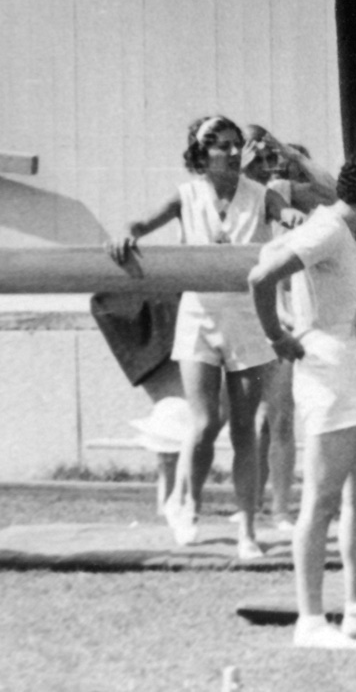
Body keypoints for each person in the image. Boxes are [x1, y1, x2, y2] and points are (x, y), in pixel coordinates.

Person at [248, 150, 356, 649]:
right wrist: (277, 335)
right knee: (321, 500)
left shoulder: (329, 227)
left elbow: (269, 258)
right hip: (324, 367)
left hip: (343, 364)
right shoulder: (326, 230)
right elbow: (261, 276)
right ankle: (309, 621)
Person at [107, 115, 300, 558]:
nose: (233, 153)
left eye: (236, 145)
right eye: (222, 146)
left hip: (249, 319)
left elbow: (286, 214)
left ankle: (248, 529)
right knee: (204, 423)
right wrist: (126, 234)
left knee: (247, 430)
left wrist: (294, 218)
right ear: (200, 154)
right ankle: (188, 507)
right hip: (199, 317)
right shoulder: (187, 196)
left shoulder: (261, 195)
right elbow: (139, 224)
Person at [240, 127, 337, 531]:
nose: (266, 164)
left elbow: (333, 194)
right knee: (248, 421)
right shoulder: (228, 194)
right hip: (235, 318)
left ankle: (279, 508)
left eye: (268, 157)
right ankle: (252, 504)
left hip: (280, 317)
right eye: (256, 156)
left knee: (279, 418)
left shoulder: (279, 190)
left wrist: (288, 153)